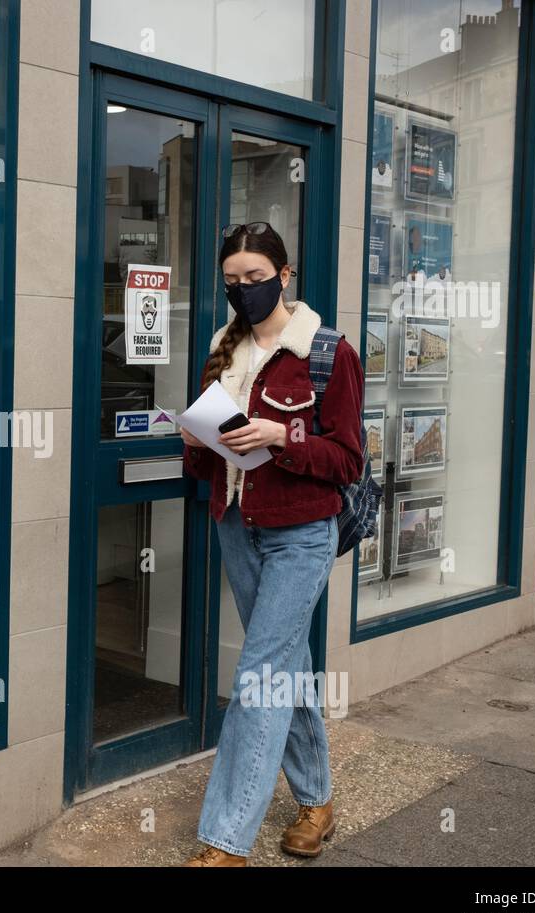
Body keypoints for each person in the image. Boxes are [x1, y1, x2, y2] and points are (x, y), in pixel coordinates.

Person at [180, 221, 365, 867]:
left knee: (259, 674)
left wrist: (282, 436)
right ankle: (316, 802)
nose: (243, 291)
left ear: (285, 276)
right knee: (283, 667)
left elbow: (347, 459)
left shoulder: (327, 351)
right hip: (237, 526)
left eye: (256, 279)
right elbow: (216, 453)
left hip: (300, 535)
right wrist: (197, 443)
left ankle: (224, 841)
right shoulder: (222, 347)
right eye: (232, 281)